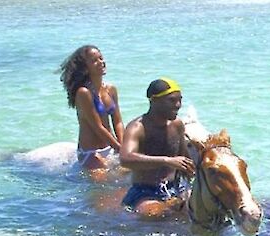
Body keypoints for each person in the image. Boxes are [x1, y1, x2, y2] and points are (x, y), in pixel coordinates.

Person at [118, 78, 194, 218]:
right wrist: (166, 161)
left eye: (180, 100)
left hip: (176, 187)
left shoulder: (177, 125)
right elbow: (125, 158)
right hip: (145, 191)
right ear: (153, 100)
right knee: (154, 215)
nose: (178, 105)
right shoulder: (137, 128)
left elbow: (185, 159)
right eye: (171, 100)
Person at [59, 45, 124, 182]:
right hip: (91, 153)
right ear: (85, 68)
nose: (101, 62)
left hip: (110, 147)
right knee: (103, 184)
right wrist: (118, 148)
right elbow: (98, 127)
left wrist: (124, 146)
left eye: (101, 58)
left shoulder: (111, 89)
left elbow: (117, 121)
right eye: (95, 60)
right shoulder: (83, 93)